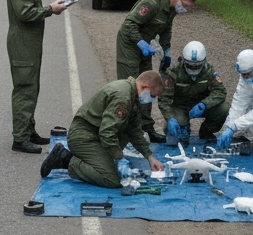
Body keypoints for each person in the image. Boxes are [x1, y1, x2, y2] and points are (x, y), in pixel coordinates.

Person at [39, 71, 167, 188]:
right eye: (152, 96)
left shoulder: (131, 94)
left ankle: (100, 159)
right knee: (111, 179)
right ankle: (65, 159)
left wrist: (150, 157)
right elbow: (107, 133)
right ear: (145, 87)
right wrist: (119, 157)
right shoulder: (123, 97)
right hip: (84, 137)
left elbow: (134, 131)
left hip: (95, 134)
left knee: (125, 134)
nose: (151, 99)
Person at [6, 0, 69, 154]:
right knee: (25, 89)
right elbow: (25, 12)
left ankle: (28, 130)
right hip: (23, 45)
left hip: (30, 44)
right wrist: (51, 9)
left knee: (32, 88)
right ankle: (20, 138)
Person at [114, 0, 196, 141]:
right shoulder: (153, 2)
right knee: (130, 87)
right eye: (185, 5)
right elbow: (129, 25)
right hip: (129, 45)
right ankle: (124, 131)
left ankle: (147, 128)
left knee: (148, 87)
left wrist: (166, 52)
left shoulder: (172, 9)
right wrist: (141, 44)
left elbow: (166, 30)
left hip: (145, 46)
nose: (185, 9)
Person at [158, 41, 229, 142]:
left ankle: (206, 132)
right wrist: (170, 118)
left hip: (201, 105)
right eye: (189, 65)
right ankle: (181, 126)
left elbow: (220, 91)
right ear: (183, 60)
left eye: (197, 66)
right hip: (180, 107)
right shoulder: (173, 73)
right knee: (178, 131)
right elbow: (164, 99)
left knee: (224, 109)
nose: (193, 69)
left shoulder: (209, 71)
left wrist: (204, 104)